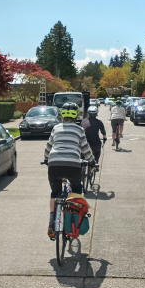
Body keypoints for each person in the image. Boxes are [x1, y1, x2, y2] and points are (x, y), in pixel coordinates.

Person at [44, 102, 96, 239]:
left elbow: (49, 146)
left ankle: (51, 222)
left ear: (62, 114)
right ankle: (74, 222)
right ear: (77, 115)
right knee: (77, 191)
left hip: (54, 163)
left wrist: (45, 159)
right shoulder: (79, 130)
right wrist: (92, 162)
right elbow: (85, 149)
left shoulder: (56, 128)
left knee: (55, 193)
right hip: (73, 165)